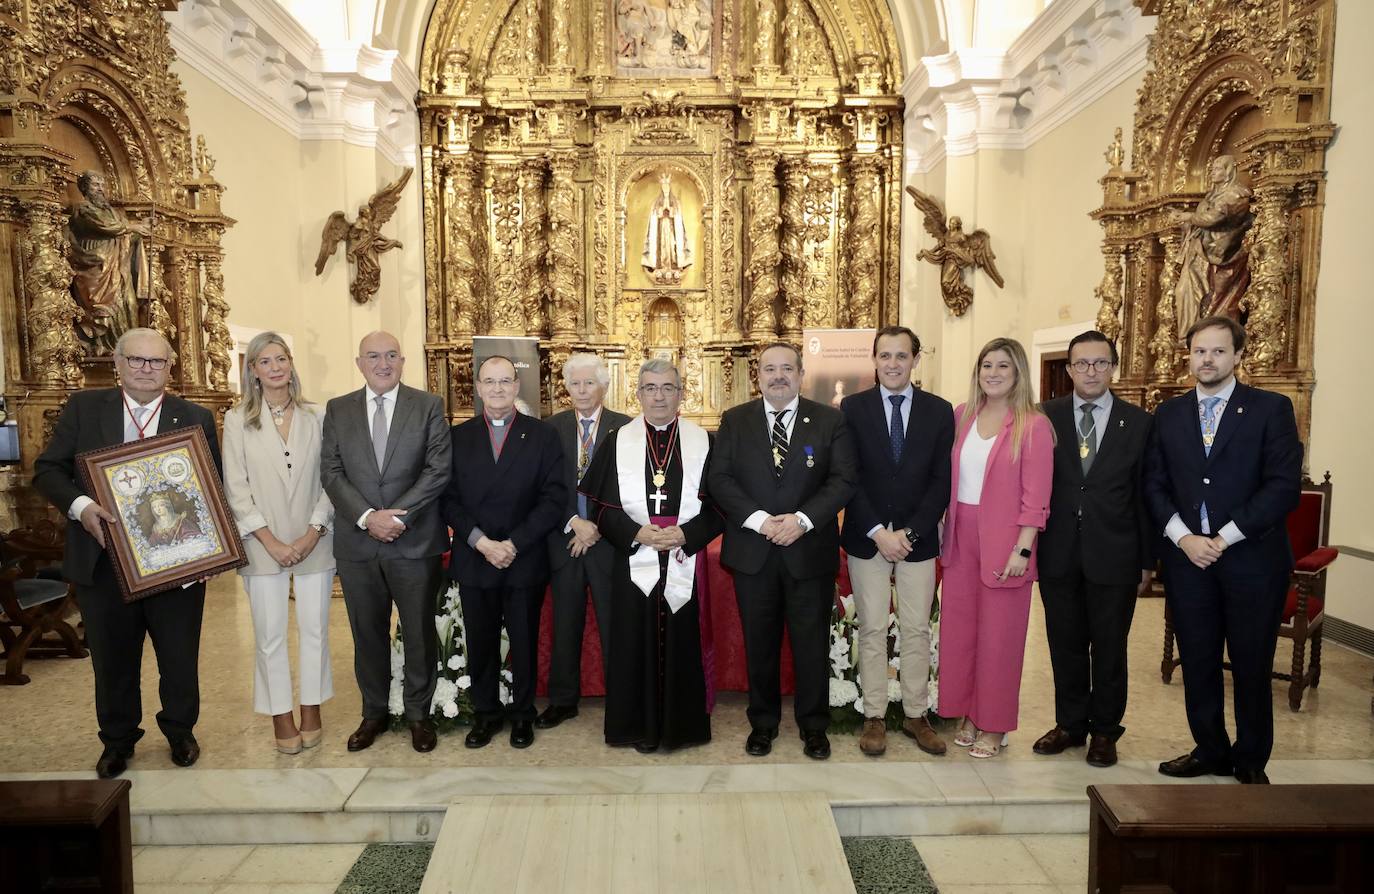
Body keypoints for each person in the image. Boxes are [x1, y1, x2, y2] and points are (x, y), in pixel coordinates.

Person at [33, 327, 220, 778]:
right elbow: (48, 470)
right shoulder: (83, 408)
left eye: (155, 362)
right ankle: (117, 740)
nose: (144, 369)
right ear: (117, 364)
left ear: (169, 368)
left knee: (178, 656)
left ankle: (180, 731)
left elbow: (211, 489)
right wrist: (82, 508)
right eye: (135, 360)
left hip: (173, 563)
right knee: (113, 659)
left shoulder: (194, 416)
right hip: (102, 561)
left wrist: (204, 550)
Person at [1145, 316, 1301, 785]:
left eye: (1217, 351)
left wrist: (1224, 537)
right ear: (1188, 356)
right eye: (1199, 351)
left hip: (1253, 561)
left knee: (1251, 663)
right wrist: (1183, 538)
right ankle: (1209, 748)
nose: (1206, 360)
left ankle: (1251, 759)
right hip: (1188, 561)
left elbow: (1282, 488)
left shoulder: (1271, 409)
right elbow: (1153, 484)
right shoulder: (1168, 413)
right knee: (1198, 659)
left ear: (1238, 356)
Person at [709, 342, 857, 760]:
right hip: (753, 552)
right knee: (760, 644)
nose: (778, 376)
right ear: (758, 375)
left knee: (811, 645)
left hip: (808, 550)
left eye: (786, 368)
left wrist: (802, 521)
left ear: (800, 373)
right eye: (770, 369)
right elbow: (720, 480)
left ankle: (814, 727)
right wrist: (759, 520)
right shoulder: (735, 420)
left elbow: (843, 480)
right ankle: (763, 723)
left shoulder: (830, 420)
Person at [580, 359, 724, 752]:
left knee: (683, 642)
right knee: (632, 643)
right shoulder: (617, 439)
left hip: (684, 555)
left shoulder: (705, 441)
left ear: (681, 393)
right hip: (633, 558)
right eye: (650, 388)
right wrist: (636, 532)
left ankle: (682, 727)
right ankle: (635, 727)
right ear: (638, 394)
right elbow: (600, 508)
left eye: (667, 388)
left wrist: (686, 534)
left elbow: (722, 507)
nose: (658, 396)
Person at [321, 331, 451, 754]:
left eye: (391, 355)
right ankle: (373, 712)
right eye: (373, 356)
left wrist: (396, 517)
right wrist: (366, 518)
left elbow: (437, 470)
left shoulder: (428, 405)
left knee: (417, 632)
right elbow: (332, 471)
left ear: (403, 360)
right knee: (367, 633)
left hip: (413, 542)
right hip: (359, 545)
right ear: (359, 362)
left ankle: (418, 714)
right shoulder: (338, 409)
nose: (383, 363)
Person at [1033, 331, 1154, 768]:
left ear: (1113, 367)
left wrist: (1146, 561)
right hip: (1058, 552)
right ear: (1068, 370)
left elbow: (1147, 495)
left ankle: (1105, 730)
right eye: (1082, 363)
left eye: (1100, 363)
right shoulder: (1044, 417)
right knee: (1063, 643)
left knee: (1109, 647)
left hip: (1116, 554)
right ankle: (1070, 724)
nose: (1091, 371)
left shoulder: (1139, 422)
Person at [442, 356, 566, 750]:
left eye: (505, 382)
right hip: (475, 555)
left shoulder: (542, 436)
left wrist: (513, 544)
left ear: (517, 387)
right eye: (489, 381)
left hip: (522, 556)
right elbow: (448, 499)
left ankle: (522, 714)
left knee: (524, 641)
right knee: (480, 641)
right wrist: (481, 541)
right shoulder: (457, 437)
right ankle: (486, 714)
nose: (497, 389)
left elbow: (553, 498)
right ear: (478, 388)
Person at [840, 326, 953, 757]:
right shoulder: (851, 408)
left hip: (917, 541)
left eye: (901, 356)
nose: (892, 364)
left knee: (917, 629)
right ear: (873, 361)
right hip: (867, 537)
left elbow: (941, 481)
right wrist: (878, 532)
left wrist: (909, 533)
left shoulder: (939, 412)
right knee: (870, 627)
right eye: (884, 356)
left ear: (915, 360)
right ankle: (873, 714)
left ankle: (915, 714)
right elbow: (847, 475)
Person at [939, 337, 1053, 759]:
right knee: (961, 633)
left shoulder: (1033, 425)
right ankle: (969, 713)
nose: (993, 373)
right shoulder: (961, 416)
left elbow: (1036, 497)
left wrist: (1023, 549)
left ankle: (996, 724)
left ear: (1018, 372)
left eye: (1003, 366)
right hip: (960, 535)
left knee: (999, 639)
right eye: (987, 365)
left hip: (1006, 542)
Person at [223, 332, 336, 755]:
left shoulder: (318, 415)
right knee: (269, 635)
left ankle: (310, 708)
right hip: (261, 543)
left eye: (282, 358)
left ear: (291, 363)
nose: (275, 367)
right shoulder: (238, 420)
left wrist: (313, 530)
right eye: (265, 361)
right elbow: (236, 489)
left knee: (315, 629)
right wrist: (268, 540)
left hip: (315, 540)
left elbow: (331, 479)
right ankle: (280, 714)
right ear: (252, 370)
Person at [537, 354, 631, 730]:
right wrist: (574, 522)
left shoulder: (624, 428)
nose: (580, 390)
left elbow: (628, 490)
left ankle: (622, 701)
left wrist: (596, 528)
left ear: (604, 387)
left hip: (608, 543)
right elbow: (542, 486)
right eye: (574, 383)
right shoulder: (550, 429)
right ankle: (562, 701)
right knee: (566, 624)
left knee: (614, 625)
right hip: (565, 540)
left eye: (588, 383)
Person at [65, 170, 145, 353]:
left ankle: (128, 351)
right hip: (95, 268)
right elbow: (106, 226)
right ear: (85, 188)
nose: (100, 189)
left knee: (130, 305)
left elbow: (125, 233)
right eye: (95, 185)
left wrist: (141, 231)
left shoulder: (113, 212)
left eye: (102, 185)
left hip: (118, 269)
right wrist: (133, 227)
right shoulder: (83, 209)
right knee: (103, 313)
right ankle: (103, 348)